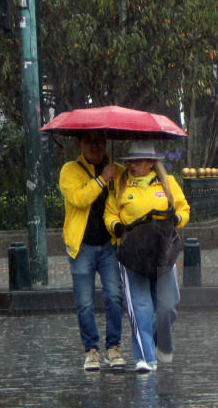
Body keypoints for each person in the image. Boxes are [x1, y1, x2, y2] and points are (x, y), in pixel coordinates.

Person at [104, 140, 190, 373]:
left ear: (151, 163)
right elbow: (110, 214)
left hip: (162, 253)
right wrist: (118, 227)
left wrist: (176, 219)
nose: (132, 166)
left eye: (138, 161)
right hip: (133, 254)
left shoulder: (167, 183)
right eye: (130, 162)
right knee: (140, 307)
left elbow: (184, 208)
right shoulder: (120, 185)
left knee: (168, 306)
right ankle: (145, 358)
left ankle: (160, 339)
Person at [59, 131, 126, 371]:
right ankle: (91, 350)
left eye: (99, 141)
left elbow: (123, 201)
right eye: (89, 141)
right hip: (82, 246)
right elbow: (78, 198)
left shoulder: (115, 169)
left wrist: (113, 180)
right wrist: (100, 180)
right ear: (79, 144)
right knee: (85, 302)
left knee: (114, 296)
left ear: (106, 142)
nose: (95, 146)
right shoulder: (70, 170)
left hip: (109, 244)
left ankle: (113, 347)